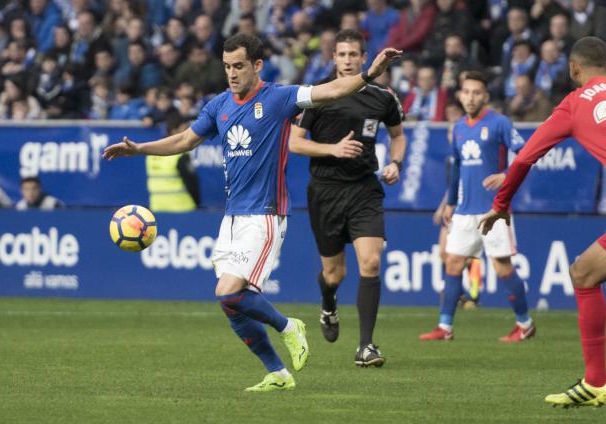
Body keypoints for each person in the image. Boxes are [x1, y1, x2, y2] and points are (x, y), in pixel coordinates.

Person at [103, 33, 401, 391]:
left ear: (257, 65)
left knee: (229, 292)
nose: (231, 73)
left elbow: (333, 91)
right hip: (232, 218)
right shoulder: (219, 106)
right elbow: (185, 140)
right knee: (230, 303)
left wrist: (369, 74)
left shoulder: (279, 98)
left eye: (239, 66)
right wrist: (141, 149)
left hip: (265, 214)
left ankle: (289, 326)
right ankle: (278, 373)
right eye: (227, 66)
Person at [479, 36, 606, 408]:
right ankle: (595, 382)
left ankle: (597, 382)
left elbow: (523, 159)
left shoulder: (575, 103)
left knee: (583, 275)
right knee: (584, 272)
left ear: (573, 69)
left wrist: (501, 203)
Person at [289, 29, 406, 367]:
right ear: (334, 58)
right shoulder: (320, 94)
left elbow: (398, 136)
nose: (348, 59)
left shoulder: (382, 97)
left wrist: (396, 163)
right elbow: (295, 143)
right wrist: (332, 149)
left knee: (370, 262)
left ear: (362, 58)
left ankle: (366, 347)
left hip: (364, 189)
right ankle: (328, 304)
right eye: (342, 54)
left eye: (354, 54)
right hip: (325, 191)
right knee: (334, 275)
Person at [419, 70, 535, 343]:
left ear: (485, 96)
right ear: (460, 95)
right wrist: (449, 203)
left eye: (476, 93)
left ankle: (525, 324)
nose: (470, 97)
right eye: (466, 92)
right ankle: (445, 327)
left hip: (494, 210)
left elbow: (527, 153)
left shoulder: (499, 123)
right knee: (453, 263)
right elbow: (458, 168)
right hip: (463, 210)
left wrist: (506, 174)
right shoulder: (458, 127)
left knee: (503, 268)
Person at [146, 116, 200, 212]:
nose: (189, 133)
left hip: (157, 208)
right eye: (185, 129)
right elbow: (191, 182)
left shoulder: (152, 153)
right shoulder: (181, 154)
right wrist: (197, 203)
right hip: (182, 208)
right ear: (174, 131)